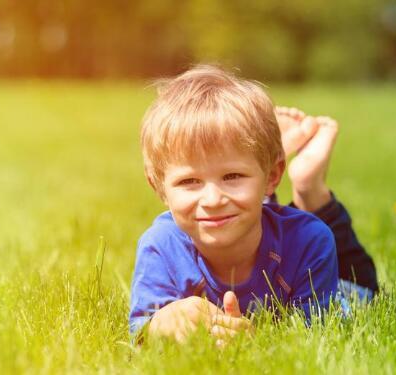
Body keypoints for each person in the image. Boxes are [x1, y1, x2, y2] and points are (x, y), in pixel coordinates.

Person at [129, 65, 378, 345]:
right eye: (189, 181)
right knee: (242, 206)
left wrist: (255, 342)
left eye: (231, 176)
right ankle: (257, 158)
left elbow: (316, 339)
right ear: (159, 186)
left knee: (361, 292)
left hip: (340, 282)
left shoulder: (310, 241)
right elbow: (139, 332)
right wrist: (163, 321)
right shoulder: (160, 246)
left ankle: (310, 186)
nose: (212, 200)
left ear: (273, 176)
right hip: (255, 208)